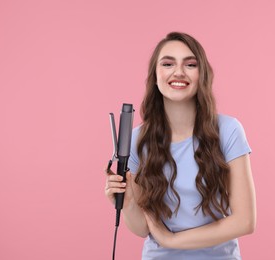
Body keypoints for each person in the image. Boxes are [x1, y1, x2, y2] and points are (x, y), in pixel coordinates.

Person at [105, 32, 256, 260]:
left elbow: (244, 221)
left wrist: (173, 240)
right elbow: (142, 228)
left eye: (190, 64)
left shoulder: (228, 130)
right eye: (167, 63)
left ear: (201, 75)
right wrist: (127, 203)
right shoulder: (137, 140)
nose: (178, 72)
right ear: (155, 76)